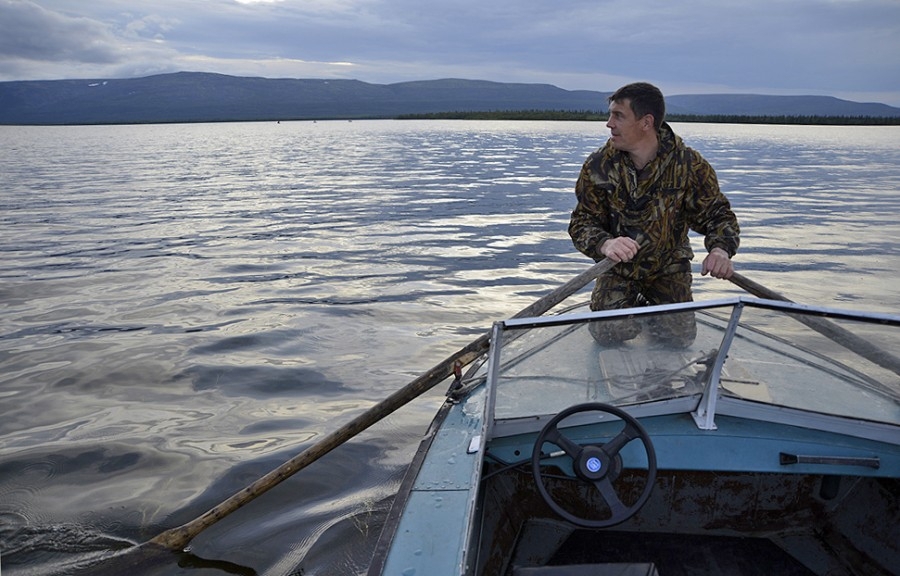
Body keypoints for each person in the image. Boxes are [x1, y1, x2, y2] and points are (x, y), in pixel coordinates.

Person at [568, 82, 740, 347]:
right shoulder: (599, 165)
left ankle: (654, 308)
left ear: (646, 122)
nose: (609, 124)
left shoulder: (689, 164)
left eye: (619, 116)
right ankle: (633, 307)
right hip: (618, 268)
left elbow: (718, 215)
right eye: (610, 114)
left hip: (668, 266)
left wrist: (720, 250)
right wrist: (605, 243)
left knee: (678, 340)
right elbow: (582, 222)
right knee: (607, 334)